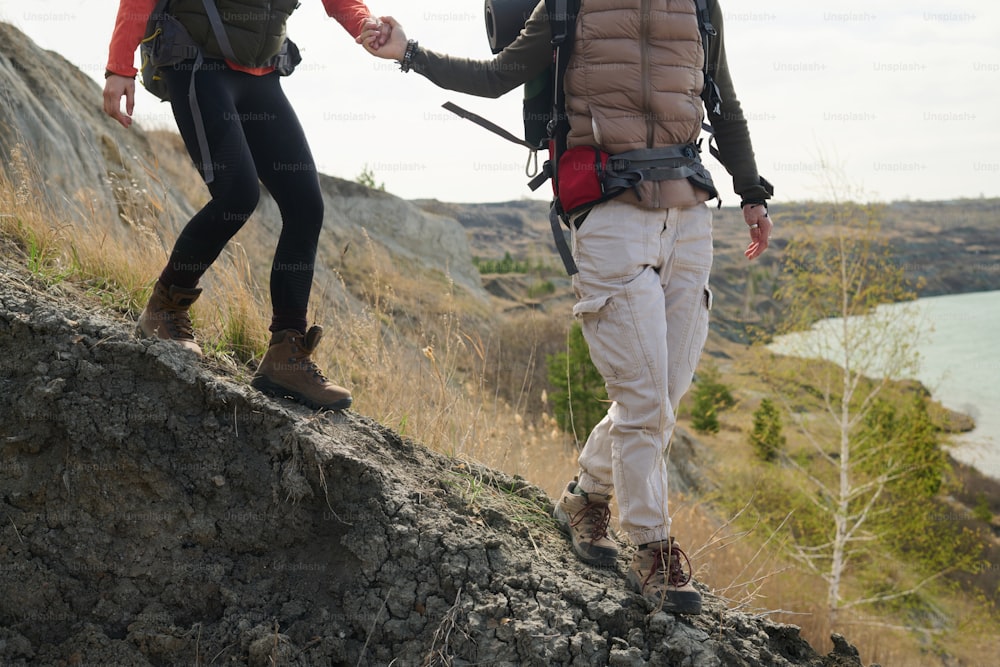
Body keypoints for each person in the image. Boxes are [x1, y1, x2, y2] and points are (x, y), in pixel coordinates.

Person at [358, 0, 773, 613]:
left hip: (689, 215)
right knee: (643, 401)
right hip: (608, 211)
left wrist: (752, 191)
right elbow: (498, 76)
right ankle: (654, 548)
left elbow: (723, 103)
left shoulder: (699, 5)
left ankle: (585, 497)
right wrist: (411, 54)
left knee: (663, 395)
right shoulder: (567, 3)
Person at [103, 0, 390, 411]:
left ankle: (285, 354)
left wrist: (365, 24)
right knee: (238, 195)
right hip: (195, 61)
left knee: (306, 206)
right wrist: (119, 67)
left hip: (261, 72)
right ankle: (164, 307)